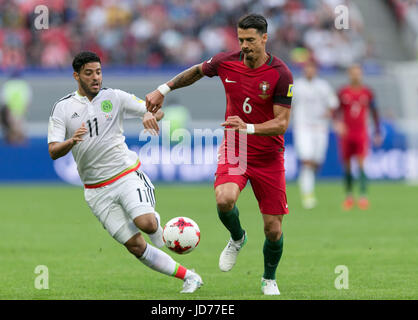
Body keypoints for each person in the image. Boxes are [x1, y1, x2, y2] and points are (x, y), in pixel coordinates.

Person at [146, 14, 294, 296]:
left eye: (251, 40)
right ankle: (237, 237)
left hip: (269, 156)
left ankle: (268, 278)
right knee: (225, 199)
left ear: (265, 38)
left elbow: (282, 123)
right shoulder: (226, 61)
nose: (245, 45)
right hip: (236, 147)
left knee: (273, 230)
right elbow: (197, 71)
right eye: (241, 40)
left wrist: (248, 127)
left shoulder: (281, 73)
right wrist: (164, 88)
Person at [47, 51, 203, 293]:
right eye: (89, 73)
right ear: (76, 76)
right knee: (135, 247)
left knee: (147, 224)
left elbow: (155, 110)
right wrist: (72, 141)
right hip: (96, 191)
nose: (95, 77)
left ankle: (159, 225)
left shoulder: (115, 97)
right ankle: (189, 276)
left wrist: (150, 116)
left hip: (125, 175)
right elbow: (53, 151)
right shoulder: (62, 108)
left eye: (98, 72)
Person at [333, 64, 382, 210]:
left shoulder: (368, 93)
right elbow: (335, 111)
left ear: (361, 74)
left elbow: (375, 112)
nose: (356, 76)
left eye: (358, 73)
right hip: (347, 134)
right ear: (349, 75)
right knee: (347, 165)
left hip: (361, 133)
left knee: (361, 164)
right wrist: (337, 124)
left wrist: (378, 131)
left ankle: (363, 196)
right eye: (353, 73)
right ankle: (348, 196)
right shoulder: (343, 92)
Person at [292, 60, 338, 209]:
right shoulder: (297, 86)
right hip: (303, 127)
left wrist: (329, 113)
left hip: (320, 128)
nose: (309, 71)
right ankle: (307, 195)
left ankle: (309, 181)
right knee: (307, 160)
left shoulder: (323, 86)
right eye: (307, 68)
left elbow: (333, 104)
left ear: (316, 70)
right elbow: (288, 104)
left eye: (312, 68)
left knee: (316, 162)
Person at [0, 71, 32, 144]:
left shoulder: (7, 86)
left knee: (18, 131)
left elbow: (3, 101)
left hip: (14, 114)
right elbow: (28, 101)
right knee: (17, 131)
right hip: (14, 114)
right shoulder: (24, 85)